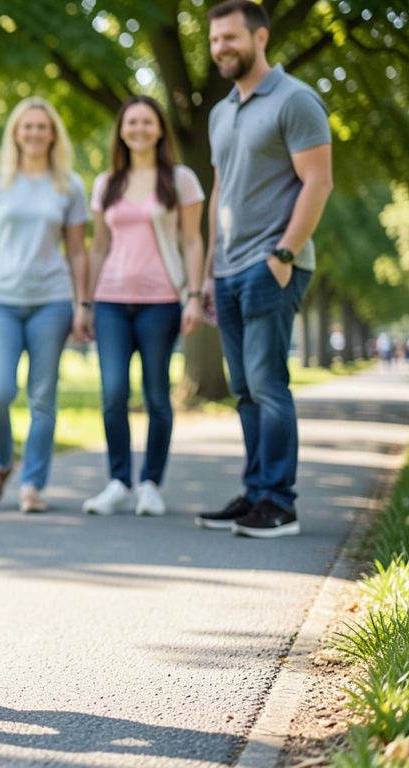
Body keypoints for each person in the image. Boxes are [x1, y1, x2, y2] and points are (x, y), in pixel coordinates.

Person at [195, 0, 334, 538]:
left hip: (272, 263)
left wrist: (284, 254)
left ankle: (280, 502)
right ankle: (255, 494)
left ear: (260, 37)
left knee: (269, 384)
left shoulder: (296, 100)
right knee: (245, 389)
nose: (221, 48)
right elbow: (219, 195)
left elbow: (317, 182)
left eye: (230, 38)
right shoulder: (221, 111)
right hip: (228, 270)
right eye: (214, 41)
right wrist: (209, 270)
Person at [0, 97, 91, 514]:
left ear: (53, 134)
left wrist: (82, 305)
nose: (35, 133)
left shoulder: (69, 185)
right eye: (27, 126)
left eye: (42, 126)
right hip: (0, 300)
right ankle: (1, 462)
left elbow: (77, 251)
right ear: (16, 133)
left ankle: (33, 485)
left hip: (51, 302)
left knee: (42, 397)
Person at [82, 96, 206, 517]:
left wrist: (194, 295)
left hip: (162, 301)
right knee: (113, 392)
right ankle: (119, 481)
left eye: (147, 121)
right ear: (121, 130)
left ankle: (150, 483)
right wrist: (86, 302)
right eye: (131, 121)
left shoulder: (181, 179)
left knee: (157, 395)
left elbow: (192, 240)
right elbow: (98, 246)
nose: (138, 128)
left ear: (159, 129)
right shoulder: (107, 183)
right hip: (111, 302)